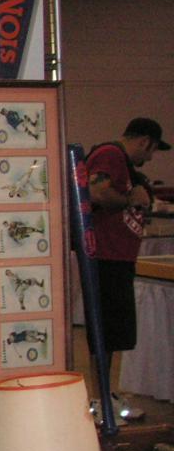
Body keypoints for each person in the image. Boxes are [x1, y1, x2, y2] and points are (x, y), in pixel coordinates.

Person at [86, 117, 170, 364]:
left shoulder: (120, 160)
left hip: (116, 257)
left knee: (113, 334)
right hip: (107, 257)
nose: (150, 158)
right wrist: (130, 199)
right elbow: (97, 192)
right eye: (152, 150)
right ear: (144, 142)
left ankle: (103, 384)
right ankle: (100, 385)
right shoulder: (110, 154)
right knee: (106, 333)